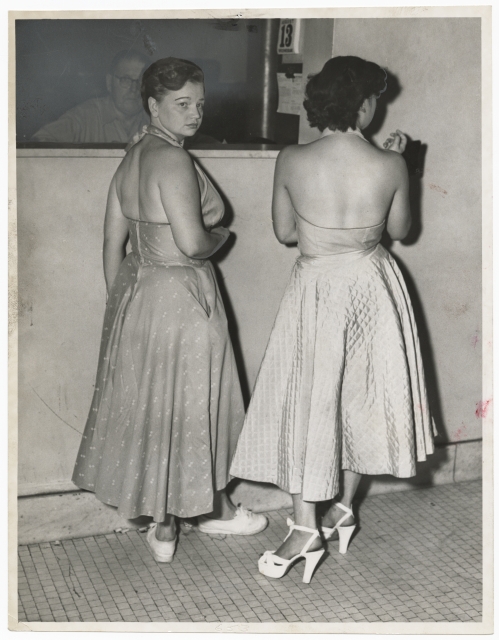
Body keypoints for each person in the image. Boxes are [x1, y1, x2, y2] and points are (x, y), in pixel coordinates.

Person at [230, 56, 435, 583]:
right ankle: (341, 508)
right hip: (372, 284)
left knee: (309, 400)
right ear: (365, 105)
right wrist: (403, 167)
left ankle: (306, 527)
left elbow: (284, 233)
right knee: (359, 395)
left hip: (317, 286)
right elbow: (402, 231)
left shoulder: (292, 157)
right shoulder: (389, 165)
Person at [72, 57, 267, 563]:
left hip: (141, 297)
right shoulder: (173, 160)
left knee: (159, 409)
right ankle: (213, 512)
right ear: (153, 105)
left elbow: (112, 244)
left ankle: (164, 527)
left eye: (199, 104)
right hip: (184, 296)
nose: (195, 114)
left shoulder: (132, 156)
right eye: (182, 104)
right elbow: (195, 242)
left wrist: (126, 307)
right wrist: (224, 235)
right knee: (195, 406)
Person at [32, 50, 151, 144]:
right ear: (109, 83)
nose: (134, 89)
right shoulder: (84, 116)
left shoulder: (155, 121)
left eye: (141, 81)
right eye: (126, 80)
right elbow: (38, 143)